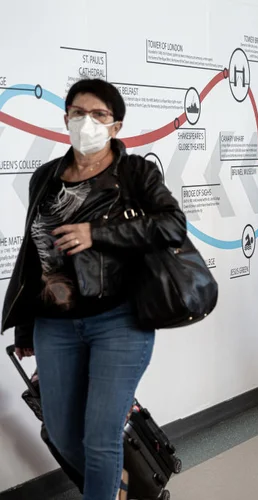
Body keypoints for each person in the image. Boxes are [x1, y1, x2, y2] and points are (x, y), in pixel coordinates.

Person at [1, 79, 187, 500]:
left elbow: (173, 225)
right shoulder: (45, 177)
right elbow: (37, 256)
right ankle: (120, 489)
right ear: (65, 118)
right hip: (55, 324)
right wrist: (26, 326)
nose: (87, 121)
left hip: (119, 320)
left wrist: (98, 233)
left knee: (101, 438)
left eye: (99, 114)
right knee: (64, 435)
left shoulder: (135, 173)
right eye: (78, 112)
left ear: (116, 125)